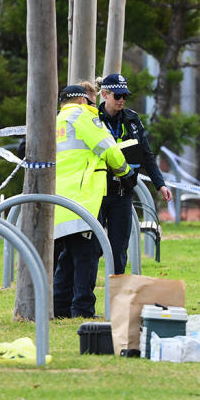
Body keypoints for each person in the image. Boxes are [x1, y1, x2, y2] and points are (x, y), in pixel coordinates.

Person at [54, 85, 134, 318]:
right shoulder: (82, 116)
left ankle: (59, 307)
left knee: (68, 256)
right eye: (91, 102)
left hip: (62, 199)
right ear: (82, 100)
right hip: (85, 197)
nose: (93, 107)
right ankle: (82, 309)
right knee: (88, 256)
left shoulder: (57, 121)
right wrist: (125, 173)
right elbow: (108, 148)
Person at [95, 73, 172, 275]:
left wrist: (160, 184)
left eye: (125, 96)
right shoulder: (93, 119)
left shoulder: (132, 119)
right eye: (117, 96)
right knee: (92, 248)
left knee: (119, 249)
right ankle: (85, 298)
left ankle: (117, 297)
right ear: (104, 94)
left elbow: (147, 155)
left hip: (123, 192)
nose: (121, 100)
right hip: (98, 192)